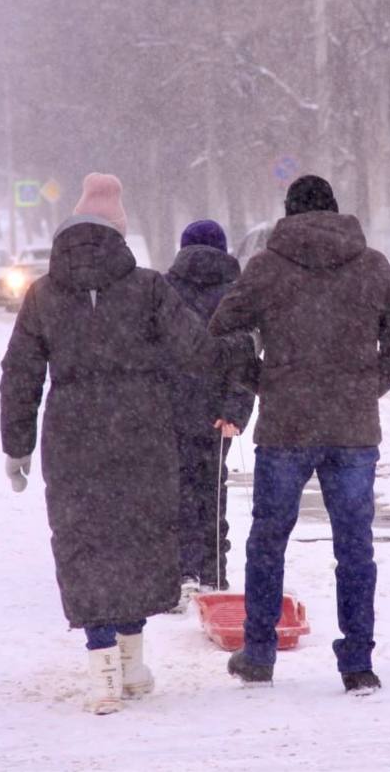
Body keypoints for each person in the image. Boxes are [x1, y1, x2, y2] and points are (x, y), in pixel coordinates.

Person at [0, 173, 252, 715]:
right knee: (138, 537)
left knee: (84, 541)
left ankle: (102, 673)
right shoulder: (148, 288)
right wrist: (241, 353)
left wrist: (16, 445)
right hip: (142, 430)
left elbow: (19, 374)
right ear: (119, 233)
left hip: (71, 436)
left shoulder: (42, 294)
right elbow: (197, 351)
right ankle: (133, 664)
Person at [209, 174, 390, 695]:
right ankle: (358, 664)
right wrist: (366, 386)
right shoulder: (372, 266)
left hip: (286, 424)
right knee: (355, 548)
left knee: (267, 542)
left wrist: (258, 379)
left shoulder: (266, 268)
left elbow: (220, 332)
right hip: (352, 430)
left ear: (288, 214)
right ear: (336, 211)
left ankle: (259, 655)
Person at [164, 220, 255, 602]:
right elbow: (244, 356)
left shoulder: (164, 292)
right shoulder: (235, 295)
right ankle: (214, 574)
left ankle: (181, 572)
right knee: (212, 490)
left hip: (172, 408)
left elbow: (155, 352)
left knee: (177, 490)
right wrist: (235, 409)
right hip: (217, 410)